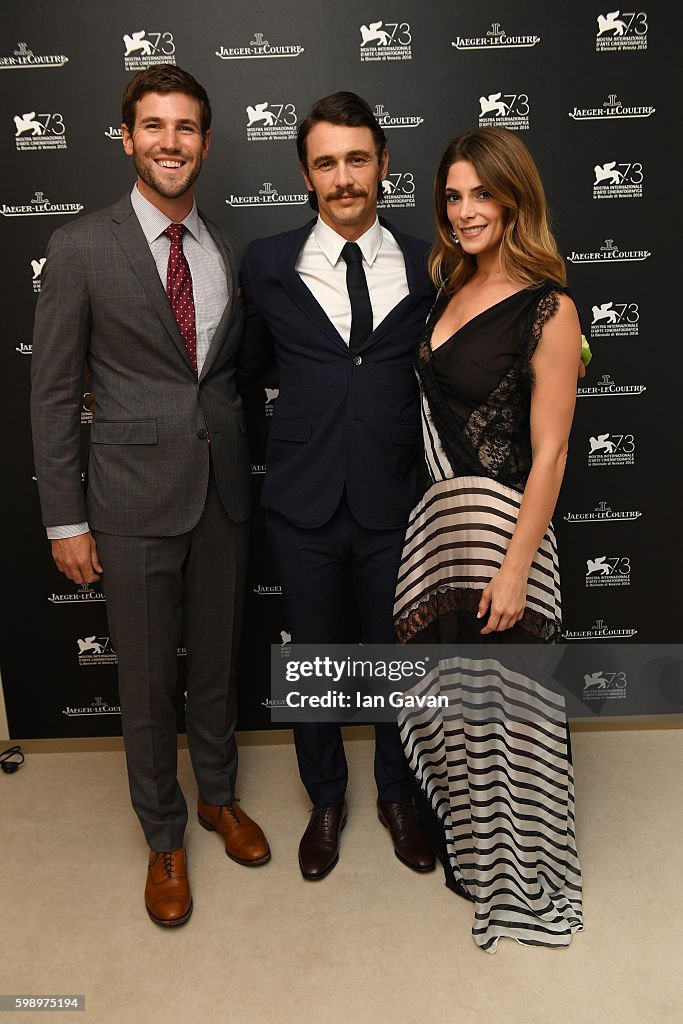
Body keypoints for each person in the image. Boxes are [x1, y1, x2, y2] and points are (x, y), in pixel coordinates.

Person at [30, 64, 270, 928]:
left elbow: (222, 380)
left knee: (214, 670)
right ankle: (163, 834)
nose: (172, 143)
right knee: (144, 687)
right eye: (154, 127)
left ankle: (216, 797)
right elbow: (53, 394)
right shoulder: (80, 246)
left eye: (188, 128)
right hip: (126, 502)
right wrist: (65, 517)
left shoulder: (226, 250)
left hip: (220, 498)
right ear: (127, 137)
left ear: (207, 141)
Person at [393, 127, 584, 951]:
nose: (464, 210)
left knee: (512, 710)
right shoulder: (447, 284)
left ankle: (521, 867)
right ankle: (475, 849)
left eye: (480, 194)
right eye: (452, 195)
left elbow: (550, 453)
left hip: (504, 532)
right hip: (443, 528)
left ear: (512, 198)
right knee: (460, 707)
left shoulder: (549, 305)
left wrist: (513, 571)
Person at [239, 92, 435, 880]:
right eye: (327, 163)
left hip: (396, 499)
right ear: (305, 174)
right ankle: (325, 797)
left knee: (394, 660)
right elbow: (247, 375)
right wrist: (283, 455)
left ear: (383, 164)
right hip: (302, 503)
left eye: (358, 159)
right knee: (315, 660)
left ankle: (396, 795)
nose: (344, 177)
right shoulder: (268, 263)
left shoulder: (429, 262)